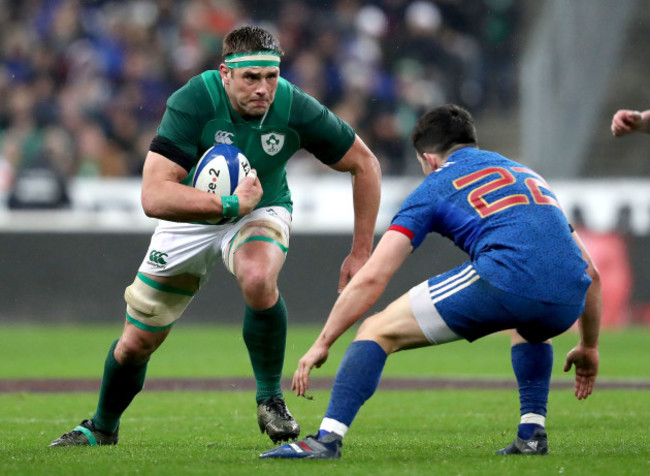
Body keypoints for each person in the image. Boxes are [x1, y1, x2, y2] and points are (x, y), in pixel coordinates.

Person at [49, 25, 381, 447]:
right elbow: (153, 194)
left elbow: (365, 164)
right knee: (135, 344)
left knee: (259, 279)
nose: (264, 89)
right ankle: (102, 427)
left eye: (271, 77)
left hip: (260, 206)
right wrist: (227, 206)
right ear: (225, 73)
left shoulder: (294, 105)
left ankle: (270, 399)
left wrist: (361, 250)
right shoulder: (194, 100)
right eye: (251, 78)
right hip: (190, 213)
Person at [260, 104, 602, 459]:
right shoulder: (529, 176)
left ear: (429, 159)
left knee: (377, 330)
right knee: (531, 324)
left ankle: (326, 439)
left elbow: (374, 275)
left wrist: (323, 341)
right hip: (567, 296)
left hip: (508, 279)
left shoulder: (435, 185)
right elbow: (590, 271)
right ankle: (532, 435)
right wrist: (589, 346)